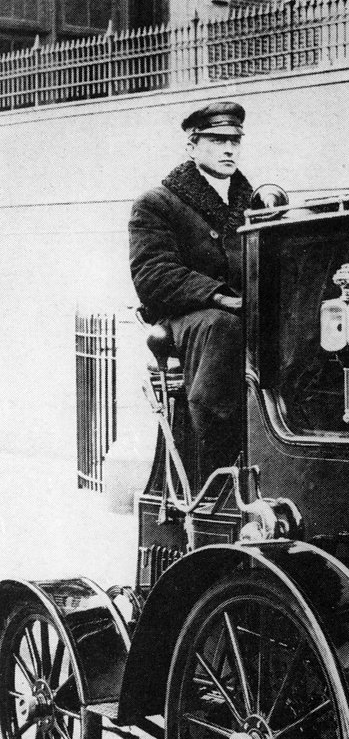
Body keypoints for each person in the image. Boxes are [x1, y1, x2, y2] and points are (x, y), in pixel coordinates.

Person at [129, 101, 254, 480]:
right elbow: (152, 273)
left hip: (249, 305)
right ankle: (218, 462)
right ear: (192, 146)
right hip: (190, 313)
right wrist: (217, 293)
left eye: (234, 140)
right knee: (222, 328)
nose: (228, 148)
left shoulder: (255, 202)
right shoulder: (158, 203)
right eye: (216, 140)